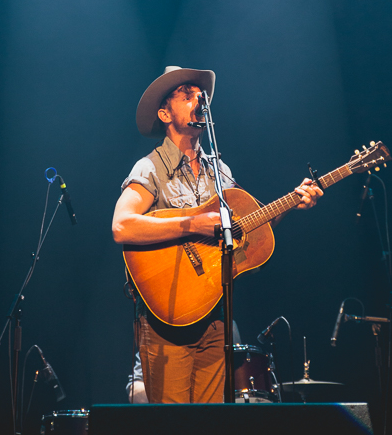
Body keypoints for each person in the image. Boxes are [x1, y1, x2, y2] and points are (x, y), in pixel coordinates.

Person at [112, 66, 323, 404]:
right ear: (165, 113)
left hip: (214, 317)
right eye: (186, 95)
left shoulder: (220, 171)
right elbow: (122, 226)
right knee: (174, 425)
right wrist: (193, 224)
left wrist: (292, 202)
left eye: (201, 96)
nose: (198, 100)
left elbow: (248, 227)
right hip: (167, 319)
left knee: (210, 423)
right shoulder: (150, 168)